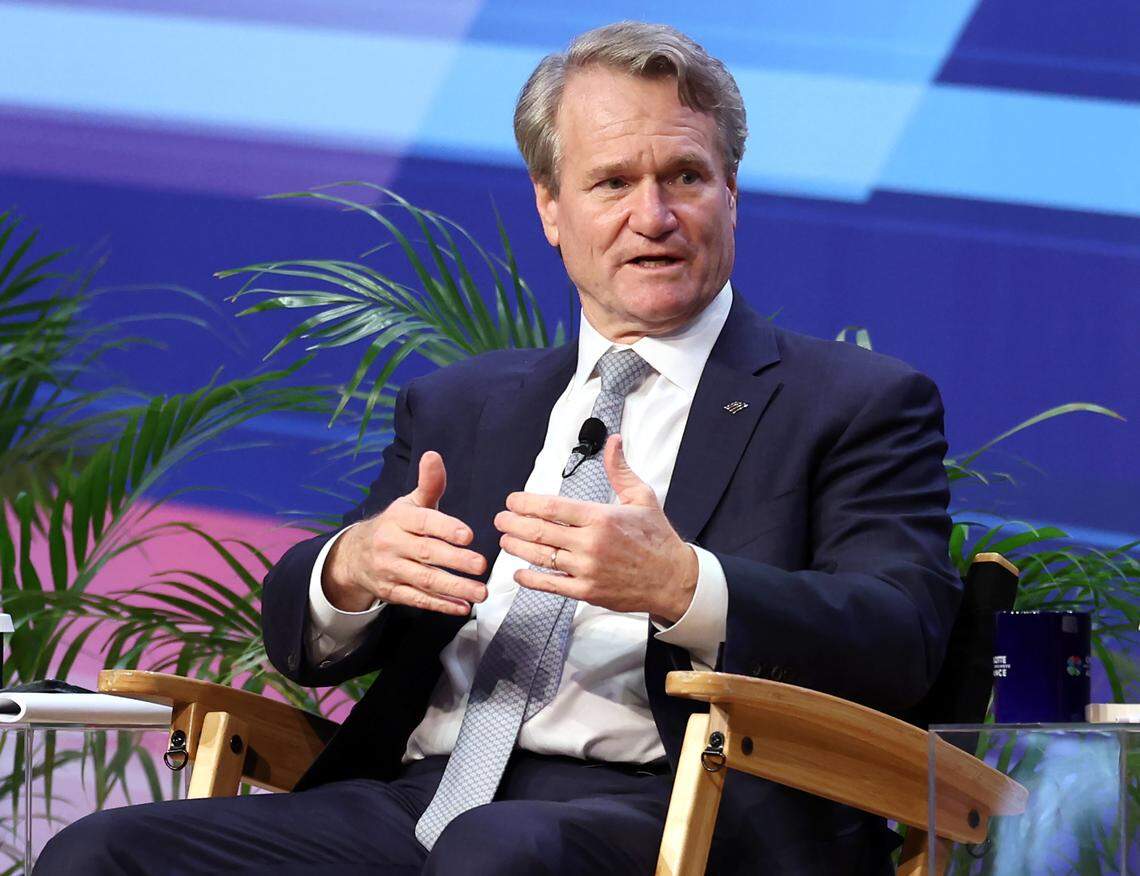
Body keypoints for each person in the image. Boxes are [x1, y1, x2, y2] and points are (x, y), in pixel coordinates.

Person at [35, 21, 961, 876]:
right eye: (611, 183)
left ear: (731, 195)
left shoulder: (852, 402)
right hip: (414, 799)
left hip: (677, 811)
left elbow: (903, 636)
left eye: (684, 176)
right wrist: (350, 570)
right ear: (552, 208)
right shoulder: (464, 404)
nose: (654, 215)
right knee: (105, 853)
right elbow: (300, 637)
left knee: (496, 853)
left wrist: (684, 586)